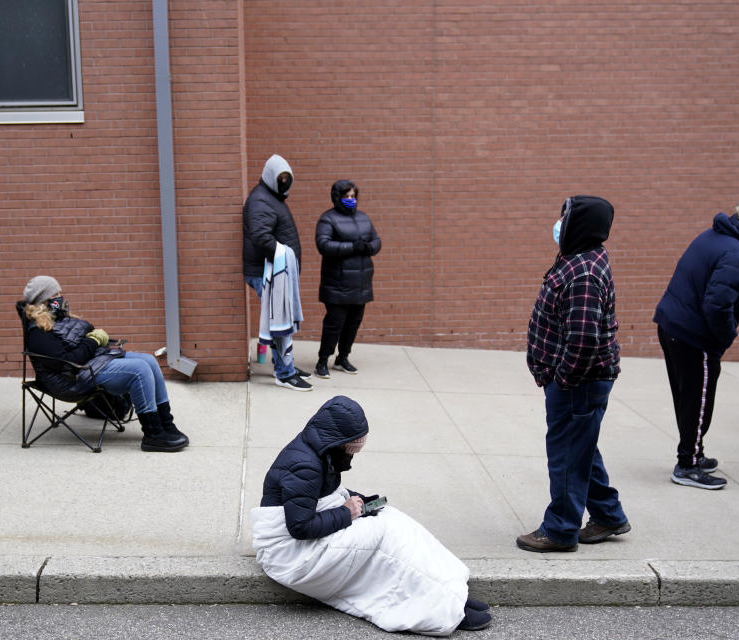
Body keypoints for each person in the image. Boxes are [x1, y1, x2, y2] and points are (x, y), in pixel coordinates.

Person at [252, 395, 492, 634]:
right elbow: (300, 527)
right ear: (338, 440)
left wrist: (362, 502)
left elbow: (326, 494)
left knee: (392, 518)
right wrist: (346, 513)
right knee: (387, 537)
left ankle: (450, 592)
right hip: (290, 554)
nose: (354, 453)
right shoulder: (305, 465)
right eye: (353, 447)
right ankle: (443, 608)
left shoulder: (319, 451)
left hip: (307, 537)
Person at [520, 195, 630, 553]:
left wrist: (561, 379)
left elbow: (582, 339)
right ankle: (609, 515)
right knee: (580, 447)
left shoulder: (583, 271)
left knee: (568, 452)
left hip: (577, 383)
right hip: (577, 382)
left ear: (579, 225)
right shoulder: (578, 258)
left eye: (564, 217)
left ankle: (560, 529)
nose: (559, 223)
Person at [654, 204, 739, 490]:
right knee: (699, 401)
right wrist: (725, 337)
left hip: (672, 325)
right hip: (693, 336)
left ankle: (693, 453)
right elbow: (717, 305)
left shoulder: (713, 236)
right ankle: (687, 465)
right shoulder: (736, 254)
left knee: (689, 399)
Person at [21, 276, 189, 452]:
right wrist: (93, 340)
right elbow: (68, 362)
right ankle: (153, 435)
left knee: (149, 360)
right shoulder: (38, 332)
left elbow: (78, 344)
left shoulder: (58, 318)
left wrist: (93, 340)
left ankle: (166, 424)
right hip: (73, 377)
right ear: (43, 300)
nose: (60, 297)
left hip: (91, 362)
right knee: (140, 370)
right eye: (55, 294)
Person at [242, 154, 312, 391]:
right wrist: (284, 257)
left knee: (280, 319)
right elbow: (262, 237)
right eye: (280, 177)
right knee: (279, 321)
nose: (284, 181)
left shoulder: (271, 197)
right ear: (270, 177)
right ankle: (285, 373)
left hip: (275, 271)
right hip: (269, 273)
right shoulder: (262, 200)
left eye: (287, 177)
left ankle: (285, 365)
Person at [313, 180, 381, 378]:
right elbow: (323, 245)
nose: (351, 200)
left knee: (353, 323)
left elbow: (376, 240)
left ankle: (343, 357)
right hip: (337, 284)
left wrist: (370, 247)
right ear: (337, 197)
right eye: (346, 196)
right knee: (334, 324)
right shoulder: (328, 219)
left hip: (361, 283)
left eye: (353, 196)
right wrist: (352, 247)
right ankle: (322, 360)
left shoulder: (363, 218)